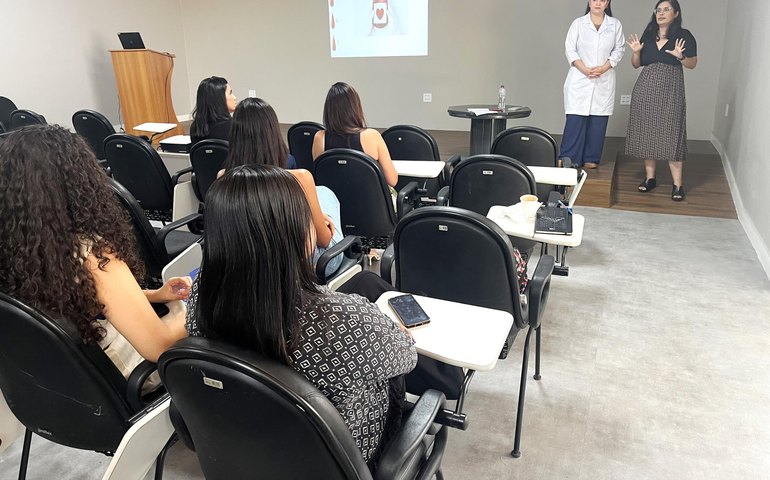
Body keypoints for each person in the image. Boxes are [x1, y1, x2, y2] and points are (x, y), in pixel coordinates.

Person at [185, 164, 417, 468]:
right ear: (296, 232)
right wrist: (395, 330)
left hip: (248, 452)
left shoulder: (201, 296)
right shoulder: (343, 318)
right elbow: (407, 356)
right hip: (333, 463)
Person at [0, 125, 190, 382]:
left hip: (73, 383)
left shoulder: (22, 249)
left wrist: (155, 295)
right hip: (134, 378)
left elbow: (83, 299)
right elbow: (160, 347)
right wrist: (193, 310)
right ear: (78, 181)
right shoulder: (94, 255)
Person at [222, 97, 342, 276]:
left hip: (248, 264)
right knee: (324, 193)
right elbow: (324, 240)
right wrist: (319, 219)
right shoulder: (300, 178)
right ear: (273, 135)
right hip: (305, 267)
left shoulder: (224, 177)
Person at [626, 0, 697, 201]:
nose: (661, 13)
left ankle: (677, 185)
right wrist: (636, 52)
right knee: (648, 134)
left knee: (672, 134)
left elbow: (693, 64)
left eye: (666, 9)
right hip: (645, 90)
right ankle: (650, 179)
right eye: (659, 10)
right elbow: (636, 65)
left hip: (671, 91)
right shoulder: (648, 36)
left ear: (676, 13)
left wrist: (681, 57)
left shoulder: (684, 36)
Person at [560, 0, 625, 170]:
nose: (598, 3)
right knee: (575, 119)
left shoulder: (615, 25)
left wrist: (604, 67)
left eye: (602, 0)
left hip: (603, 78)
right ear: (589, 1)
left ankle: (591, 157)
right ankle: (569, 158)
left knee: (598, 119)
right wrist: (585, 69)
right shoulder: (578, 24)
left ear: (607, 3)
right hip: (580, 78)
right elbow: (570, 49)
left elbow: (619, 50)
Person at [312, 82, 398, 188]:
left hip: (333, 202)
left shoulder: (319, 138)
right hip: (370, 203)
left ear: (329, 110)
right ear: (355, 107)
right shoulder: (372, 136)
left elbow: (320, 176)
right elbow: (392, 180)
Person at [189, 76, 237, 145]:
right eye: (230, 93)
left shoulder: (195, 127)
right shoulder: (235, 127)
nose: (234, 97)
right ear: (219, 99)